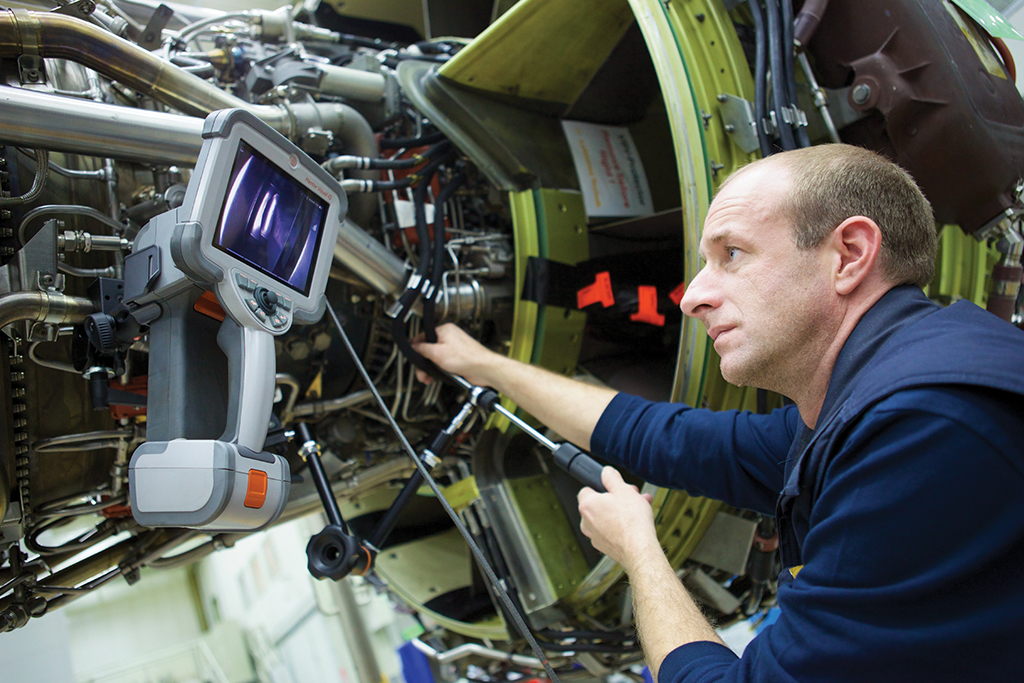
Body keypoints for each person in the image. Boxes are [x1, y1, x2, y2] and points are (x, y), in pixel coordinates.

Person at [412, 144, 1024, 682]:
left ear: (849, 254)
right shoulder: (890, 385)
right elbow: (663, 438)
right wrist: (484, 365)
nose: (694, 297)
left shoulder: (920, 430)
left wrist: (639, 551)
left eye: (732, 253)